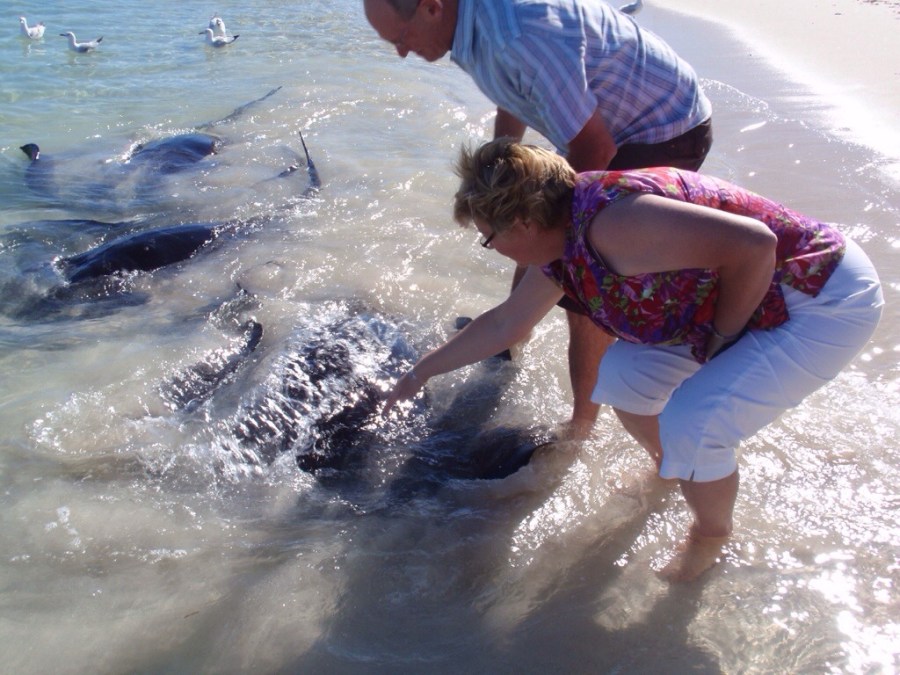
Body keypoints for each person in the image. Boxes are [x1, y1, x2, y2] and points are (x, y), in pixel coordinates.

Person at [382, 138, 884, 581]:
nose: (490, 249)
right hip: (742, 294)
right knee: (623, 377)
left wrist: (720, 343)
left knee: (695, 421)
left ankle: (712, 534)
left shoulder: (616, 223)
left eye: (489, 237)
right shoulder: (559, 238)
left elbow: (756, 245)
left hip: (820, 294)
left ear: (524, 222)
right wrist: (418, 373)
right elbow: (505, 323)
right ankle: (673, 469)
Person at [364, 0, 714, 437]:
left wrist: (569, 245)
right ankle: (512, 335)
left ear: (432, 8)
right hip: (609, 122)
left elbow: (595, 147)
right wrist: (492, 179)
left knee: (577, 280)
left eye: (400, 38)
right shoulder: (466, 27)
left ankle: (580, 427)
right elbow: (511, 96)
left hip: (660, 127)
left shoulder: (517, 36)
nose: (401, 52)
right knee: (524, 231)